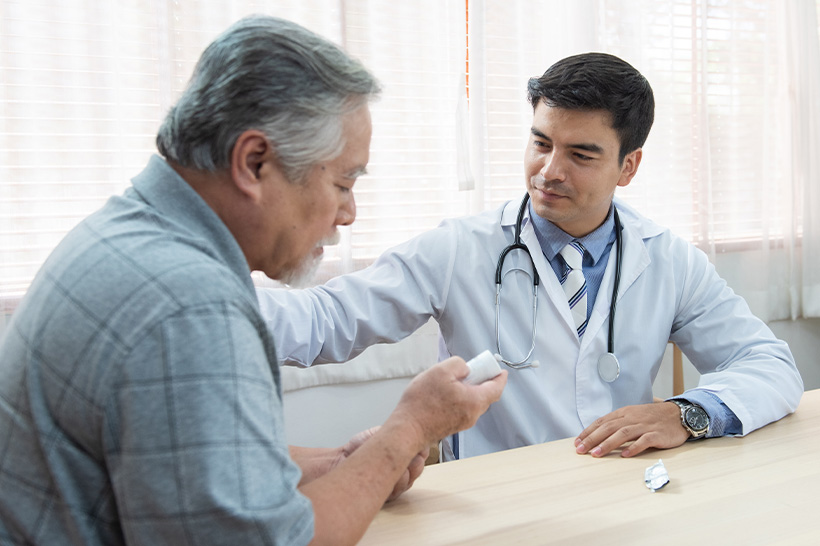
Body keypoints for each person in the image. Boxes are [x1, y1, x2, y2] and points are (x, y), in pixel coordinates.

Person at [0, 15, 506, 546]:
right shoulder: (190, 305)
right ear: (254, 162)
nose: (349, 213)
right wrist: (410, 431)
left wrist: (340, 462)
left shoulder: (125, 233)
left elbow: (196, 461)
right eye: (342, 182)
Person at [257, 52, 803, 462]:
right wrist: (207, 288)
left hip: (620, 492)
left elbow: (770, 367)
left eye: (581, 154)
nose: (549, 171)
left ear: (628, 167)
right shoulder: (459, 248)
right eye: (541, 143)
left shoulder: (669, 260)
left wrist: (684, 413)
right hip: (500, 493)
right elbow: (322, 321)